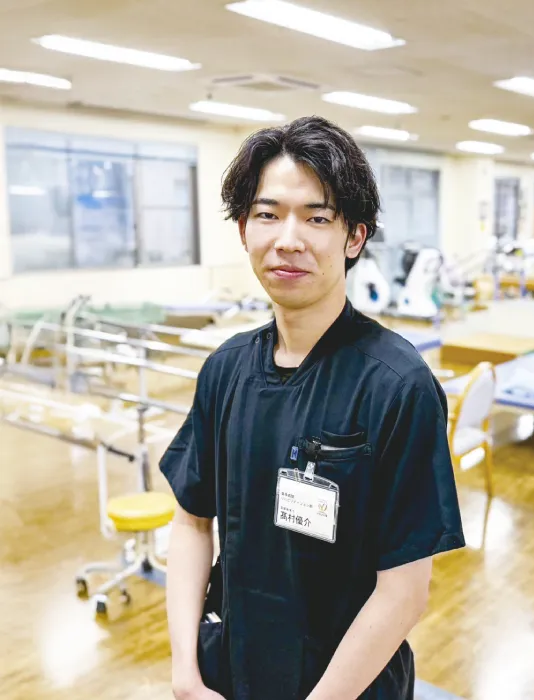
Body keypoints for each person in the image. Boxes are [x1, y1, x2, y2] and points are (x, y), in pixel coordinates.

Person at [160, 115, 465, 700]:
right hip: (229, 669)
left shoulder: (396, 386)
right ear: (244, 229)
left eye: (317, 218)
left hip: (346, 684)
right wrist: (185, 674)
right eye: (268, 214)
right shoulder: (226, 369)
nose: (288, 239)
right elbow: (192, 522)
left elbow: (404, 592)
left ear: (355, 237)